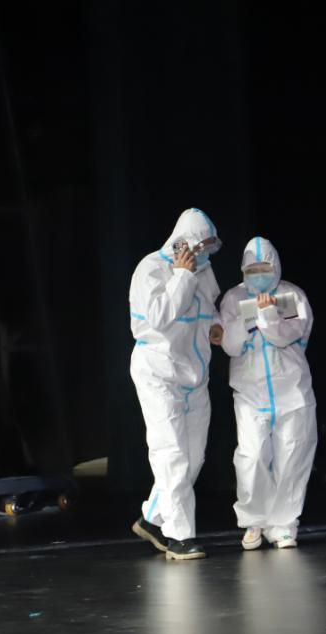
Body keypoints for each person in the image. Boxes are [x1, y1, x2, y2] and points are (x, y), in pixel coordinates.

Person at [129, 208, 223, 561]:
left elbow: (208, 309)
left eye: (208, 247)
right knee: (170, 454)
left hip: (194, 374)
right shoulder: (150, 269)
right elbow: (159, 317)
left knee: (193, 455)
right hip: (159, 372)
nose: (203, 253)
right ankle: (180, 536)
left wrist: (215, 326)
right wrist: (182, 276)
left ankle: (153, 519)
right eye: (199, 246)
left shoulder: (205, 271)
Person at [218, 237, 317, 550]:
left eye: (264, 267)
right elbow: (230, 345)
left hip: (291, 389)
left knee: (292, 455)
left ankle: (284, 523)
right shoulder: (234, 297)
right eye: (252, 269)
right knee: (253, 456)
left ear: (275, 266)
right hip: (250, 390)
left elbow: (286, 336)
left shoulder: (290, 295)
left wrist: (266, 315)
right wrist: (249, 317)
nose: (258, 274)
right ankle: (254, 520)